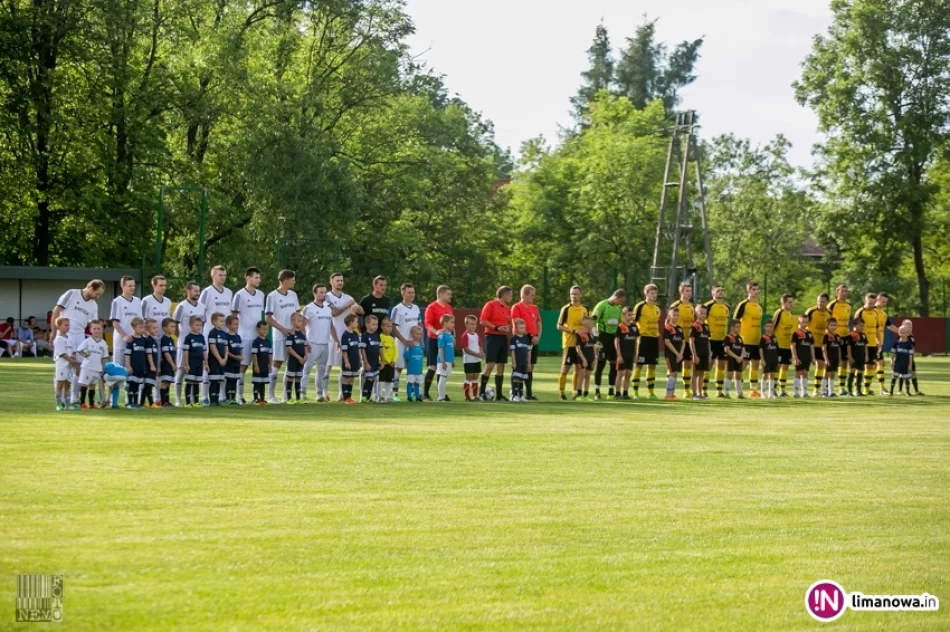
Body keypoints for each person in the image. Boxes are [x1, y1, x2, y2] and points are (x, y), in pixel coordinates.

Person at [52, 279, 104, 401]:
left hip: (80, 336)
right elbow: (57, 311)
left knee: (79, 367)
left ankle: (73, 398)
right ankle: (59, 398)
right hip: (66, 334)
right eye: (97, 293)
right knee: (62, 366)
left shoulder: (93, 305)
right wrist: (54, 332)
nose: (98, 297)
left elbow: (93, 324)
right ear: (91, 288)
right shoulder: (72, 293)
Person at [230, 267, 265, 404]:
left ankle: (256, 396)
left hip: (257, 337)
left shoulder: (261, 294)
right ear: (248, 278)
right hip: (244, 336)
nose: (258, 280)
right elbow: (233, 315)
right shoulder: (239, 295)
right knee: (242, 366)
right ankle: (239, 395)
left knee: (257, 366)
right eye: (256, 277)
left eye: (259, 277)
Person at [198, 266, 233, 403]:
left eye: (224, 275)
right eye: (220, 275)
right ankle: (205, 397)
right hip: (209, 333)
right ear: (212, 276)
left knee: (223, 364)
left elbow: (229, 315)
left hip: (223, 333)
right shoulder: (207, 292)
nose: (222, 277)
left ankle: (222, 396)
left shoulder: (229, 292)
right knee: (209, 364)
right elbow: (200, 312)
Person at [265, 270, 300, 404]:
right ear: (286, 280)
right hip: (280, 335)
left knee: (292, 364)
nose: (294, 281)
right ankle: (271, 395)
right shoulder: (272, 296)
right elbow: (268, 317)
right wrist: (283, 329)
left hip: (294, 335)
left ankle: (287, 396)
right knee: (277, 363)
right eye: (292, 279)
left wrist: (298, 330)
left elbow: (297, 315)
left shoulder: (293, 295)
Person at [301, 283, 335, 402]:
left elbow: (331, 327)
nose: (323, 294)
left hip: (325, 343)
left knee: (321, 370)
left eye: (325, 292)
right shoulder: (309, 308)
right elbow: (302, 327)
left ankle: (319, 394)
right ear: (314, 293)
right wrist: (305, 343)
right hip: (312, 343)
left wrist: (336, 341)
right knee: (307, 369)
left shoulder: (328, 309)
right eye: (320, 292)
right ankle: (302, 393)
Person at [172, 281, 205, 407]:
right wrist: (180, 337)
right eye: (195, 290)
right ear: (188, 291)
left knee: (196, 373)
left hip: (197, 345)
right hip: (183, 345)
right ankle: (178, 399)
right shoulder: (182, 306)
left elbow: (204, 324)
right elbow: (175, 324)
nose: (197, 293)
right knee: (181, 371)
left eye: (198, 291)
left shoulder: (202, 307)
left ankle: (195, 400)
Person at [325, 272, 357, 400]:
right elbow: (334, 313)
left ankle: (341, 394)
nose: (340, 283)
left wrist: (357, 308)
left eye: (341, 280)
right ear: (331, 282)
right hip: (330, 336)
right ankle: (323, 393)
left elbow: (356, 311)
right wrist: (347, 305)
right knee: (327, 366)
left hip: (345, 338)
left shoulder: (348, 297)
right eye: (337, 280)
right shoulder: (326, 297)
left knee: (344, 367)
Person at [479, 286, 512, 402]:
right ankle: (481, 393)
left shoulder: (508, 308)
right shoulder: (490, 305)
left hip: (503, 338)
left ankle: (499, 394)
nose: (511, 298)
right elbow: (483, 321)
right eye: (509, 295)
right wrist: (497, 328)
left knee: (501, 365)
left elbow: (509, 323)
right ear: (503, 295)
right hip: (492, 337)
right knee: (490, 364)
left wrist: (508, 327)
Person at [592, 289, 626, 399]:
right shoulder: (602, 305)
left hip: (613, 338)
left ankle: (611, 391)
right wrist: (596, 337)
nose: (620, 304)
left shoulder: (618, 308)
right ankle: (597, 391)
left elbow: (620, 323)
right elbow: (592, 321)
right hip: (603, 337)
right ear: (617, 298)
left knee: (613, 364)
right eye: (620, 301)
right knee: (601, 364)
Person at [389, 283, 421, 402]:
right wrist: (405, 341)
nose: (411, 295)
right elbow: (393, 327)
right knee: (398, 368)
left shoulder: (416, 308)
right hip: (402, 343)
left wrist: (420, 340)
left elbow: (419, 324)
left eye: (413, 292)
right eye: (409, 292)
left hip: (414, 344)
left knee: (413, 369)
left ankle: (412, 394)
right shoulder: (397, 309)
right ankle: (395, 393)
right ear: (402, 293)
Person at [509, 284, 542, 400]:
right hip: (522, 340)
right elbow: (517, 323)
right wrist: (529, 336)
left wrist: (537, 336)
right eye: (531, 295)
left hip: (533, 340)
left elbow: (539, 323)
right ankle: (515, 392)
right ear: (524, 295)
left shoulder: (534, 308)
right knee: (518, 365)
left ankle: (527, 393)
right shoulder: (516, 307)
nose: (533, 298)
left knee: (530, 366)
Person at [556, 286, 588, 401]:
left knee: (578, 369)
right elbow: (559, 326)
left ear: (580, 295)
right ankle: (561, 392)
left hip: (581, 343)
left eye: (576, 294)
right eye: (572, 294)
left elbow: (587, 325)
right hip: (569, 343)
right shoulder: (566, 309)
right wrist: (574, 331)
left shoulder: (585, 309)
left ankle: (575, 392)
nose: (574, 296)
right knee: (565, 369)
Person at [424, 285, 454, 401]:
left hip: (446, 340)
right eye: (448, 294)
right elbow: (428, 324)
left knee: (442, 366)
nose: (450, 296)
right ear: (441, 294)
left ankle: (440, 394)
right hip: (433, 339)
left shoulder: (449, 308)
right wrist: (436, 332)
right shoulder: (431, 307)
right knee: (433, 366)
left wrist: (452, 336)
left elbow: (451, 325)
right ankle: (425, 393)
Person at [734, 281, 764, 398]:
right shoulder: (743, 304)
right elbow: (735, 320)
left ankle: (753, 390)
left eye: (757, 289)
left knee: (755, 365)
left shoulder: (759, 306)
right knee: (743, 365)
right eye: (753, 289)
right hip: (745, 341)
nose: (756, 291)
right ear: (748, 290)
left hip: (756, 341)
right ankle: (738, 390)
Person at [632, 284, 662, 399]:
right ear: (646, 293)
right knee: (639, 365)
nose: (654, 295)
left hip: (654, 339)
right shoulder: (640, 306)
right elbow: (633, 322)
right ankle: (635, 392)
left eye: (655, 293)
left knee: (652, 365)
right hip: (643, 339)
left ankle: (651, 392)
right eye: (652, 293)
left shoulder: (657, 309)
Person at [702, 286, 731, 396]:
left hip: (722, 340)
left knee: (721, 365)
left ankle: (719, 391)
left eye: (722, 290)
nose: (720, 292)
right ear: (713, 293)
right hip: (711, 340)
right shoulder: (708, 305)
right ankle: (704, 390)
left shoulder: (727, 306)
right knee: (709, 365)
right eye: (718, 291)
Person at [668, 282, 695, 397]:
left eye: (690, 291)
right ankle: (669, 391)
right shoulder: (675, 305)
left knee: (688, 364)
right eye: (687, 291)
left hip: (688, 341)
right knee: (672, 366)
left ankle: (686, 390)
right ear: (681, 292)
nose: (689, 293)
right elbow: (667, 323)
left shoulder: (692, 306)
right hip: (676, 341)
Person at [109, 275, 142, 368]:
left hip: (135, 340)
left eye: (134, 285)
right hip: (121, 340)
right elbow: (114, 322)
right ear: (123, 286)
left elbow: (140, 321)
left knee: (132, 368)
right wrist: (124, 336)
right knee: (119, 369)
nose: (132, 288)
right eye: (130, 286)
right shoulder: (117, 301)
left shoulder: (138, 301)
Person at [77, 320, 109, 409]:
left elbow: (104, 357)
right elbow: (79, 350)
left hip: (97, 368)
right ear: (90, 330)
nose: (96, 331)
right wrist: (85, 354)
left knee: (93, 385)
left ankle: (91, 403)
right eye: (94, 328)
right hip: (87, 367)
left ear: (102, 330)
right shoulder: (87, 341)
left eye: (98, 328)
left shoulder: (103, 343)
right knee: (84, 384)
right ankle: (82, 402)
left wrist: (103, 368)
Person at [827, 284, 852, 396]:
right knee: (831, 363)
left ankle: (841, 388)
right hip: (833, 337)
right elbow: (827, 321)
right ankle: (826, 387)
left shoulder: (849, 306)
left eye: (846, 291)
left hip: (845, 337)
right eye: (842, 291)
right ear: (837, 292)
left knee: (844, 362)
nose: (844, 293)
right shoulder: (832, 305)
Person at [805, 293, 832, 397]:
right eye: (818, 301)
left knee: (823, 365)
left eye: (822, 301)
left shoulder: (829, 313)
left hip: (822, 344)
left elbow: (830, 327)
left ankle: (818, 389)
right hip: (811, 344)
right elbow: (803, 324)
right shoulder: (811, 311)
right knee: (805, 367)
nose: (820, 303)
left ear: (827, 302)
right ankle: (804, 390)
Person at [853, 293, 879, 397]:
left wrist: (879, 342)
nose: (871, 305)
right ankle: (856, 389)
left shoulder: (875, 313)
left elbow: (876, 329)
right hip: (862, 344)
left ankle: (866, 389)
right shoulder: (860, 312)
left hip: (873, 343)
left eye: (873, 303)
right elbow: (855, 328)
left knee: (871, 366)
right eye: (869, 303)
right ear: (865, 300)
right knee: (860, 367)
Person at [874, 292, 900, 395]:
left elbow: (889, 326)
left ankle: (881, 389)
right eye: (882, 301)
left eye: (886, 302)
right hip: (871, 342)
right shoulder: (871, 311)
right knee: (871, 365)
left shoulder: (883, 314)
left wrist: (902, 332)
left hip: (879, 343)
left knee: (879, 363)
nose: (884, 303)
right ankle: (878, 389)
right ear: (877, 299)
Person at [53, 317, 81, 411]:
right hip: (62, 365)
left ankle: (68, 404)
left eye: (68, 325)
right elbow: (62, 354)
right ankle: (59, 404)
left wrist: (73, 357)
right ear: (59, 326)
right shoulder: (58, 340)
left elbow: (73, 351)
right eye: (65, 325)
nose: (68, 327)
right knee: (60, 383)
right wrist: (71, 361)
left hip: (69, 366)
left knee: (68, 384)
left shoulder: (70, 338)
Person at [771, 294, 795, 397]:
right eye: (789, 302)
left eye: (791, 302)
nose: (791, 304)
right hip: (779, 344)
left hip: (787, 345)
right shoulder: (779, 313)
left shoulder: (789, 313)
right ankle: (773, 389)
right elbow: (772, 327)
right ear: (783, 302)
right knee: (777, 367)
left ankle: (782, 390)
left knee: (785, 367)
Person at [181, 315, 208, 407]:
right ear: (191, 325)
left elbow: (204, 351)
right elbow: (185, 352)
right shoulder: (188, 338)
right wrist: (186, 364)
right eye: (196, 325)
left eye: (200, 325)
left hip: (199, 363)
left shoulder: (201, 337)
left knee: (197, 382)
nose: (199, 327)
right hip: (191, 362)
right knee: (190, 382)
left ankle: (196, 401)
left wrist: (206, 363)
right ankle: (188, 402)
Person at [284, 312, 309, 404]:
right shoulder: (290, 334)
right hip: (293, 359)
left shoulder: (302, 335)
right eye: (299, 321)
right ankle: (289, 398)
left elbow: (305, 346)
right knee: (290, 377)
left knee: (298, 377)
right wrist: (299, 357)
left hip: (302, 360)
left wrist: (305, 356)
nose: (301, 323)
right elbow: (289, 349)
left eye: (302, 321)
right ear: (293, 322)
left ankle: (298, 398)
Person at [614, 307, 638, 400]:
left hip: (630, 354)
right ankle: (617, 393)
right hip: (622, 354)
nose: (631, 316)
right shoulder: (620, 326)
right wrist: (619, 355)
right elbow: (616, 341)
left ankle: (625, 393)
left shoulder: (634, 327)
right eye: (629, 314)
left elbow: (635, 342)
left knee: (628, 373)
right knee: (620, 373)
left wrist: (635, 354)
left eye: (632, 314)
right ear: (623, 315)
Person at [124, 317, 148, 409]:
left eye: (143, 327)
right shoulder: (131, 341)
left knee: (138, 385)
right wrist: (128, 366)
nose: (142, 329)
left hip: (141, 367)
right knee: (131, 384)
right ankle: (129, 403)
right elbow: (127, 354)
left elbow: (146, 355)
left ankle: (136, 402)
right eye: (140, 327)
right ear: (134, 328)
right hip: (133, 367)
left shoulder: (144, 340)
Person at [206, 312, 229, 406]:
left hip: (222, 360)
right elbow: (212, 347)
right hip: (214, 360)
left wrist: (225, 358)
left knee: (220, 380)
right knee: (214, 380)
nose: (223, 323)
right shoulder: (212, 333)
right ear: (214, 322)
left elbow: (226, 347)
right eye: (220, 321)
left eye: (223, 321)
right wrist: (219, 359)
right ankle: (212, 400)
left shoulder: (224, 334)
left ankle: (217, 399)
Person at [689, 304, 711, 400]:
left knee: (702, 373)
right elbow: (691, 341)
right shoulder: (694, 326)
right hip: (697, 353)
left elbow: (708, 341)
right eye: (701, 313)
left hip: (705, 353)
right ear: (696, 313)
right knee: (696, 373)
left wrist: (709, 354)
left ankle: (700, 392)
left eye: (704, 313)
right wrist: (694, 355)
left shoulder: (706, 326)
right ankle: (694, 394)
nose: (703, 315)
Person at [459, 315, 484, 401]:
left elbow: (480, 344)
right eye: (471, 324)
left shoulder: (476, 335)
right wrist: (476, 354)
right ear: (466, 325)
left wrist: (481, 352)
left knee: (475, 377)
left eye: (475, 324)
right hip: (469, 360)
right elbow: (466, 349)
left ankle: (475, 395)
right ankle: (467, 396)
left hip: (477, 360)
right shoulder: (465, 336)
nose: (474, 326)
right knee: (469, 377)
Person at [790, 315, 815, 398]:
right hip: (799, 357)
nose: (805, 323)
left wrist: (813, 357)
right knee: (798, 373)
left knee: (805, 373)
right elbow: (792, 346)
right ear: (799, 322)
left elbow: (811, 346)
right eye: (803, 322)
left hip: (807, 357)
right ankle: (796, 392)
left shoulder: (810, 334)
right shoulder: (796, 333)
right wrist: (795, 357)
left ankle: (804, 392)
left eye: (806, 322)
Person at [359, 314, 382, 402]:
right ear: (367, 325)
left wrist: (382, 360)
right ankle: (364, 396)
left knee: (374, 379)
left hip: (376, 362)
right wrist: (365, 362)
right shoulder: (364, 336)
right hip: (369, 362)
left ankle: (370, 396)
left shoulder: (377, 336)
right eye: (373, 324)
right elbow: (362, 349)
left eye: (376, 324)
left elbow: (380, 348)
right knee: (369, 378)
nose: (376, 326)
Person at [663, 309, 685, 401]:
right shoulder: (667, 328)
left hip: (678, 355)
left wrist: (680, 354)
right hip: (670, 354)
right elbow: (667, 342)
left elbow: (683, 342)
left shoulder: (679, 328)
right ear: (669, 316)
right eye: (674, 315)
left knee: (675, 373)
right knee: (672, 373)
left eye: (677, 315)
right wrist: (676, 353)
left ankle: (672, 394)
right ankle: (668, 394)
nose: (676, 317)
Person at [339, 313, 361, 404]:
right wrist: (346, 361)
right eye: (356, 322)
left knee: (352, 379)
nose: (357, 324)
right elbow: (344, 351)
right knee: (347, 378)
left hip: (355, 360)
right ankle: (345, 398)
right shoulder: (345, 335)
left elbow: (358, 348)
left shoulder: (356, 334)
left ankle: (349, 398)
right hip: (348, 361)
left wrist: (360, 359)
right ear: (351, 323)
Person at [509, 318, 532, 402]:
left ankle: (521, 395)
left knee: (522, 378)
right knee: (516, 377)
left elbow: (529, 352)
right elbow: (512, 351)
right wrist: (513, 361)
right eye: (520, 328)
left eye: (523, 328)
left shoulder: (527, 339)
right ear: (516, 328)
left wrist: (529, 363)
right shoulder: (514, 339)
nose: (522, 330)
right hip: (517, 362)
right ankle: (514, 395)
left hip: (524, 363)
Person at [574, 316, 597, 400]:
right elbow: (578, 348)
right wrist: (583, 359)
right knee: (581, 376)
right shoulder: (579, 334)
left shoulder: (592, 333)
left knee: (588, 376)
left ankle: (586, 395)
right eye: (590, 320)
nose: (592, 322)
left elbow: (594, 346)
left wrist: (595, 358)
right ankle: (579, 395)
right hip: (583, 358)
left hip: (591, 357)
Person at [250, 321, 272, 405]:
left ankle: (262, 399)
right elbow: (254, 354)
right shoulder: (256, 342)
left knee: (263, 383)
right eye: (263, 329)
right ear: (258, 329)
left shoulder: (268, 342)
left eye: (267, 329)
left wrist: (270, 364)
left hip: (265, 366)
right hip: (258, 366)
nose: (265, 331)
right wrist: (255, 366)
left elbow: (270, 354)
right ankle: (256, 399)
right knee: (257, 382)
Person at [890, 321, 914, 395]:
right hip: (897, 363)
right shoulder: (896, 343)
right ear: (899, 333)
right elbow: (892, 353)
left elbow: (910, 355)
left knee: (906, 378)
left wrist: (910, 365)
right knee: (894, 377)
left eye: (904, 333)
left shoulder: (909, 344)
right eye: (901, 332)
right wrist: (892, 361)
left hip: (905, 364)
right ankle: (891, 391)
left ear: (908, 334)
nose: (902, 334)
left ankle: (907, 392)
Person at [846, 318, 868, 396]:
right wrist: (850, 356)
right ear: (855, 325)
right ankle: (849, 391)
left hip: (861, 357)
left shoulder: (863, 335)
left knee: (860, 372)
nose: (862, 327)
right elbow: (849, 346)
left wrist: (866, 356)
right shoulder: (851, 335)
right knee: (852, 371)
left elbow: (865, 346)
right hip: (854, 357)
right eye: (860, 325)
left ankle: (858, 391)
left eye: (863, 325)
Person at [435, 314, 455, 402]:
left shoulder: (450, 335)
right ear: (445, 323)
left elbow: (451, 349)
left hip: (448, 360)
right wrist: (442, 361)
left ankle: (442, 395)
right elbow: (440, 348)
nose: (453, 324)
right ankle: (441, 397)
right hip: (443, 361)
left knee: (445, 377)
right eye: (451, 322)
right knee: (442, 377)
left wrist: (452, 360)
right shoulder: (442, 335)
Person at [403, 325, 425, 402]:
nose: (419, 336)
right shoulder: (410, 345)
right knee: (410, 382)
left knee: (417, 383)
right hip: (412, 368)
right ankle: (409, 396)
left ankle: (417, 396)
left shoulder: (420, 346)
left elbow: (421, 356)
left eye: (420, 334)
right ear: (412, 334)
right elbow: (406, 355)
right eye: (417, 334)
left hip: (418, 369)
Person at [141, 319, 161, 407]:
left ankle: (147, 403)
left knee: (149, 385)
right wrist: (152, 365)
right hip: (149, 367)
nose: (156, 329)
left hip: (154, 366)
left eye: (157, 327)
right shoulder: (148, 341)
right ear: (147, 329)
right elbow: (148, 354)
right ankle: (148, 402)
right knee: (148, 385)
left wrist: (158, 366)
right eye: (154, 328)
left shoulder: (154, 341)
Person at [723, 320, 745, 399]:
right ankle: (726, 393)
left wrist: (741, 357)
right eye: (737, 327)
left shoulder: (740, 338)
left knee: (739, 375)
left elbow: (743, 348)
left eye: (740, 327)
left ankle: (739, 393)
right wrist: (736, 357)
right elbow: (727, 350)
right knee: (729, 375)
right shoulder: (728, 337)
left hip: (739, 359)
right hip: (731, 359)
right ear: (732, 327)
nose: (739, 329)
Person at [820, 318, 842, 398]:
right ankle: (823, 391)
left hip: (835, 357)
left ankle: (831, 391)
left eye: (835, 325)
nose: (833, 327)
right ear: (827, 326)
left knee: (832, 374)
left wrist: (839, 359)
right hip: (828, 358)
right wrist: (826, 359)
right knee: (826, 373)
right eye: (831, 325)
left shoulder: (837, 336)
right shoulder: (826, 336)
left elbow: (838, 348)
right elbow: (824, 348)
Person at [224, 315, 243, 405]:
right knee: (229, 380)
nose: (237, 326)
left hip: (237, 363)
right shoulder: (226, 337)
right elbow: (226, 351)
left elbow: (241, 348)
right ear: (228, 325)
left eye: (237, 324)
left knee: (235, 380)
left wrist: (241, 356)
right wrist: (235, 357)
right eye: (235, 324)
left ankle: (234, 398)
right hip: (230, 362)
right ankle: (228, 398)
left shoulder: (238, 337)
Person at [159, 318, 177, 407]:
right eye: (172, 326)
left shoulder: (171, 339)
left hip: (171, 364)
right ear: (165, 328)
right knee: (164, 382)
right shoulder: (164, 339)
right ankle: (163, 402)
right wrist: (172, 364)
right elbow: (166, 353)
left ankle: (167, 401)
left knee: (168, 382)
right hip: (166, 364)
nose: (174, 328)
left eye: (175, 327)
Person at [759, 320, 779, 399]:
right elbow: (761, 349)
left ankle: (771, 393)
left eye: (771, 326)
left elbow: (777, 349)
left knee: (772, 375)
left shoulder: (774, 337)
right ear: (764, 327)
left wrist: (778, 359)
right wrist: (762, 359)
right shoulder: (763, 338)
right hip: (766, 359)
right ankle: (763, 392)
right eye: (767, 326)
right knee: (765, 375)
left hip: (773, 359)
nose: (769, 328)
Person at [379, 317, 397, 402]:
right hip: (383, 364)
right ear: (382, 326)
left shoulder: (391, 338)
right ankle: (379, 396)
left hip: (391, 364)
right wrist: (385, 361)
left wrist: (393, 360)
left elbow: (395, 351)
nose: (390, 328)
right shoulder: (380, 337)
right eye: (388, 326)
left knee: (389, 381)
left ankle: (388, 396)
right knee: (381, 380)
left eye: (391, 327)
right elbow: (381, 351)